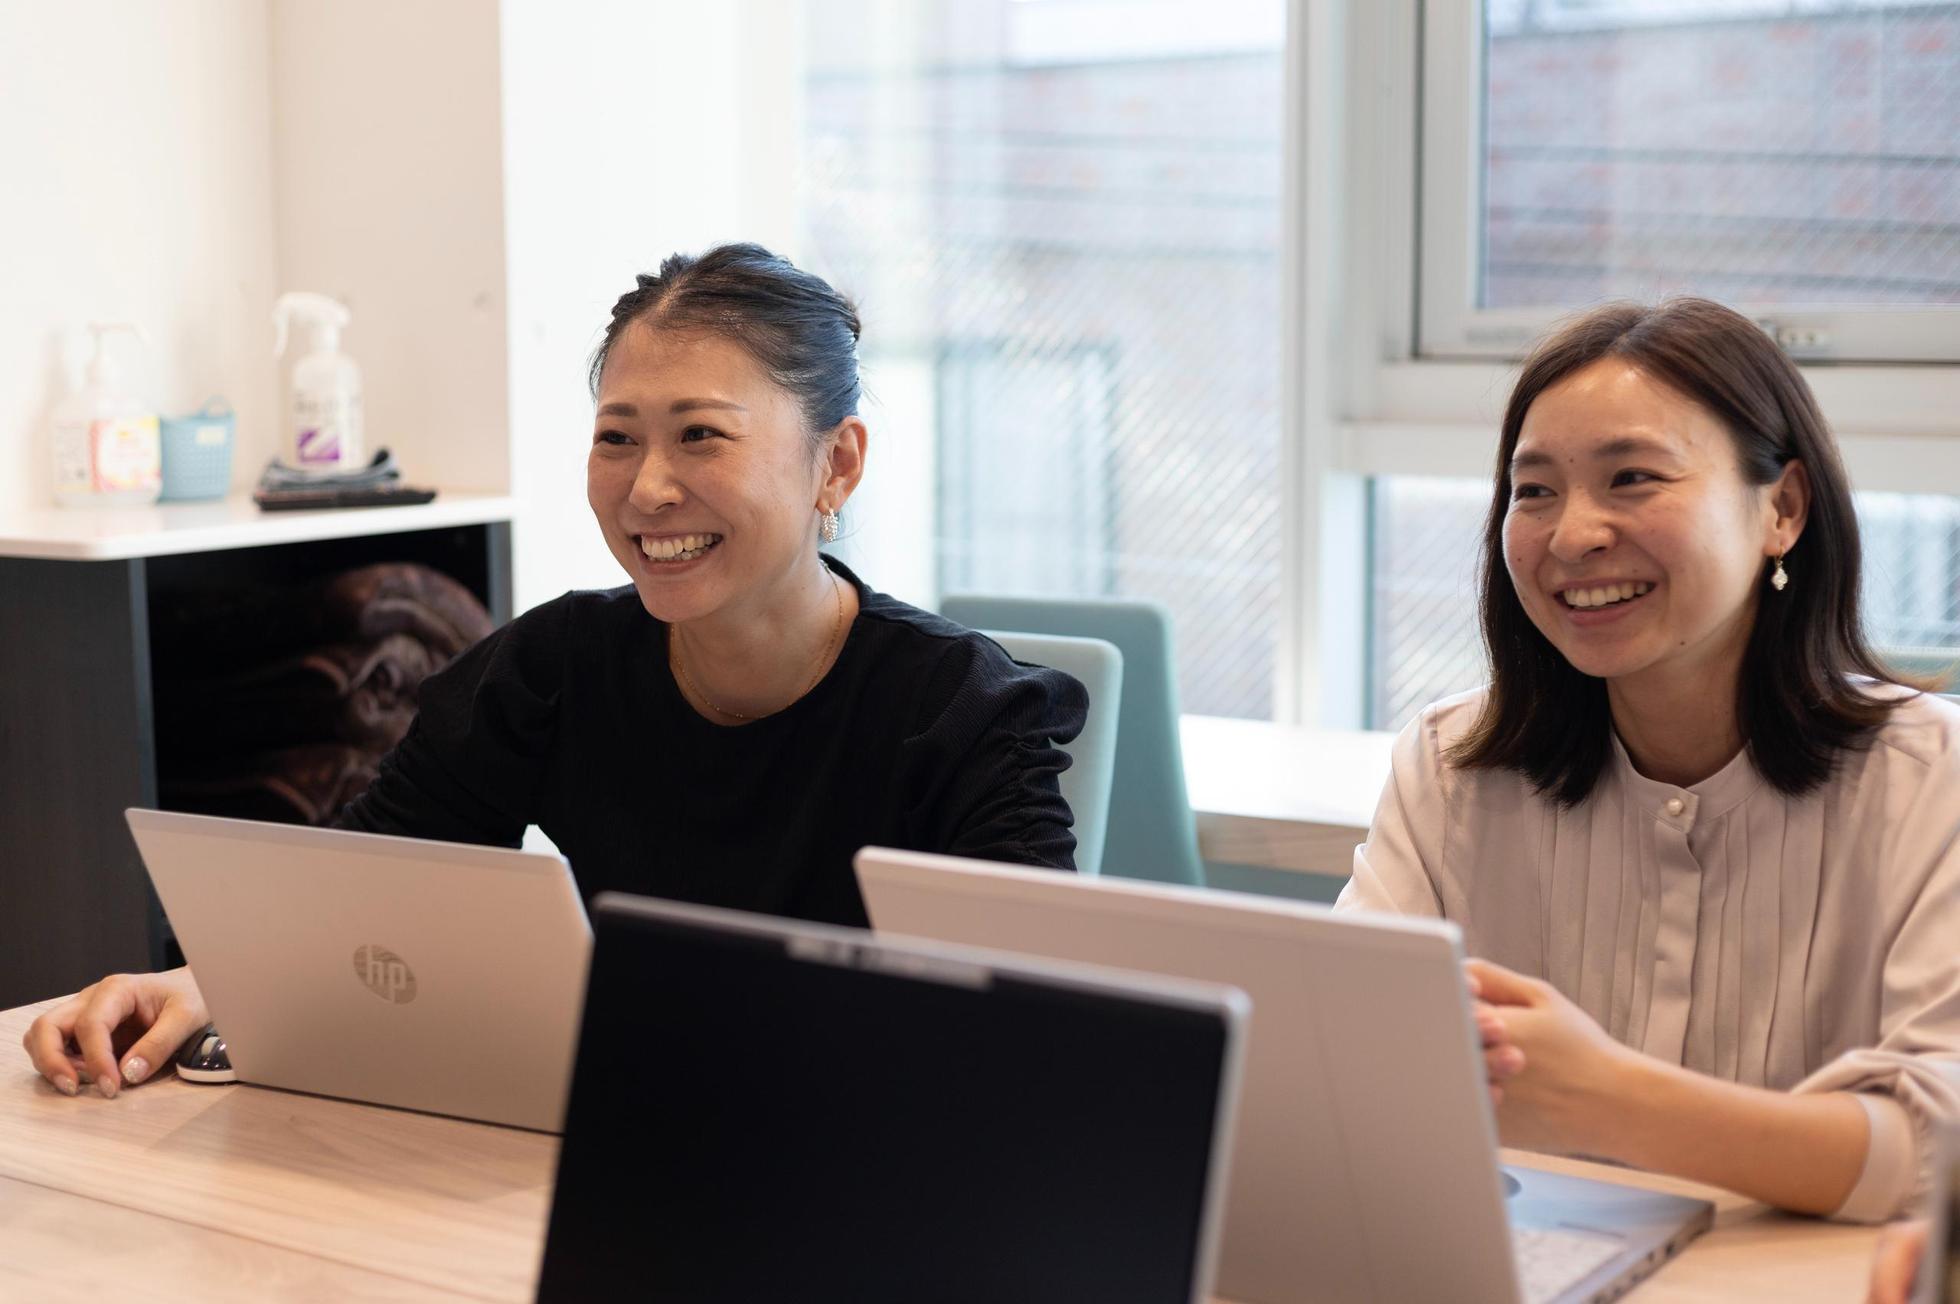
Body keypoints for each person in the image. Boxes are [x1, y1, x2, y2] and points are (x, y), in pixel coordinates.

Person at [23, 244, 1087, 1100]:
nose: (648, 488)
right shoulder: (556, 667)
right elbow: (364, 888)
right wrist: (196, 984)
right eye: (617, 438)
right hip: (614, 1154)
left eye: (700, 435)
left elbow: (1040, 1037)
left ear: (837, 463)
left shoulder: (964, 713)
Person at [1339, 297, 1960, 1223]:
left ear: (1783, 508)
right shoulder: (1452, 767)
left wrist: (1606, 1096)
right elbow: (1338, 1059)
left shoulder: (1931, 778)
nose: (1572, 535)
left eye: (1631, 478)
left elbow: (1939, 1152)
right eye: (1534, 491)